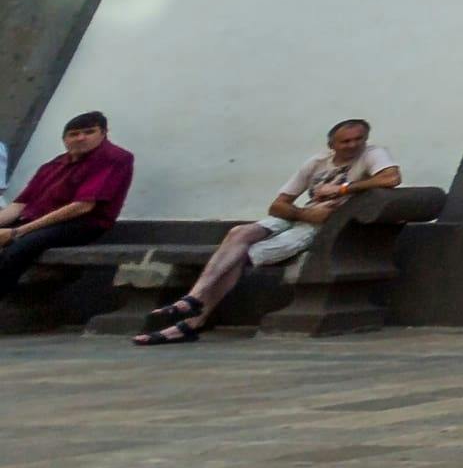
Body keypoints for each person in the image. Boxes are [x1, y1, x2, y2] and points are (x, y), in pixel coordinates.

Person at [131, 119, 398, 344]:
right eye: (345, 141)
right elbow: (278, 205)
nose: (353, 145)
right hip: (302, 214)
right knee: (238, 233)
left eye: (357, 139)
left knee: (239, 257)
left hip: (319, 228)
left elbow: (391, 178)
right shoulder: (316, 163)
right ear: (332, 145)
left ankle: (192, 321)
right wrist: (304, 212)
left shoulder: (372, 154)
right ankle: (195, 298)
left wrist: (341, 190)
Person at [0, 112, 131, 291]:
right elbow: (19, 205)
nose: (81, 138)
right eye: (74, 134)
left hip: (81, 223)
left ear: (103, 133)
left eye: (89, 132)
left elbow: (83, 206)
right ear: (64, 139)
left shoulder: (113, 158)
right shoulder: (53, 165)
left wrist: (17, 232)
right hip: (37, 222)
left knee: (18, 250)